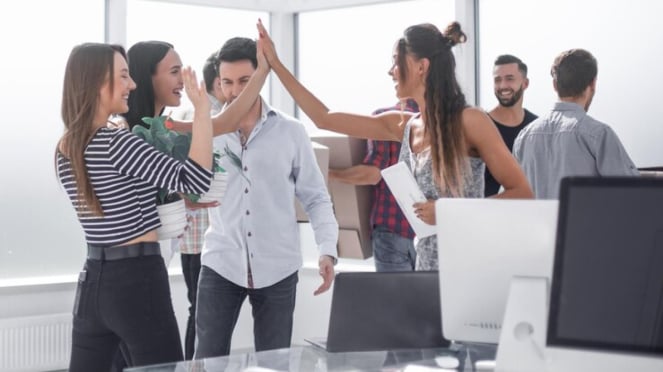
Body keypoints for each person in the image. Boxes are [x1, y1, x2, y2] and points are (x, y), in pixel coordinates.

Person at [257, 19, 532, 271]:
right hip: (426, 270)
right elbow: (323, 118)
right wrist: (276, 65)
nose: (390, 71)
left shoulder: (470, 121)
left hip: (469, 269)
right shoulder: (405, 125)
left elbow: (522, 193)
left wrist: (450, 212)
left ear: (421, 67)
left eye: (396, 62)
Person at [55, 42, 212, 371]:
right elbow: (196, 181)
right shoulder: (117, 142)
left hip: (92, 282)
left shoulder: (65, 147)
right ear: (99, 82)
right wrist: (201, 113)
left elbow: (118, 201)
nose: (133, 85)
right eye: (124, 76)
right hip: (136, 282)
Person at [194, 36, 339, 358]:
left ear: (260, 77)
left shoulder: (291, 131)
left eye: (245, 81)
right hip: (221, 263)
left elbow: (316, 197)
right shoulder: (208, 133)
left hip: (278, 268)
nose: (235, 91)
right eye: (227, 82)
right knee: (206, 363)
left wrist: (327, 250)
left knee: (273, 364)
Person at [513, 49, 639, 199]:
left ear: (554, 84)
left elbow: (511, 198)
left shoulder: (524, 136)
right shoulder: (598, 134)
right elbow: (633, 193)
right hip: (584, 223)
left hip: (534, 223)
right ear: (592, 83)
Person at [172, 50, 227, 360]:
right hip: (204, 232)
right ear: (217, 83)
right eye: (229, 81)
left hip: (188, 234)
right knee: (203, 313)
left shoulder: (186, 113)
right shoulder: (211, 116)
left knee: (198, 308)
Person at [328, 99, 419, 272]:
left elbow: (373, 174)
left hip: (392, 230)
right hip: (429, 232)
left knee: (394, 298)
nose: (392, 72)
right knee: (429, 298)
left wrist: (331, 174)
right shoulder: (440, 121)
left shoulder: (385, 119)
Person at [484, 54, 538, 197]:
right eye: (497, 80)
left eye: (509, 79)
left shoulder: (536, 128)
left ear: (525, 83)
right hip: (486, 214)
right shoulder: (481, 127)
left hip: (528, 214)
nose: (502, 86)